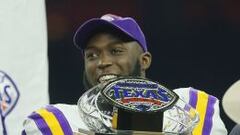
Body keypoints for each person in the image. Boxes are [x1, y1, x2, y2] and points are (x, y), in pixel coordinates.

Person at [22, 14, 227, 135]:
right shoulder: (57, 121)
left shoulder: (191, 106)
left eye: (116, 51)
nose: (102, 62)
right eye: (91, 55)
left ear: (144, 60)